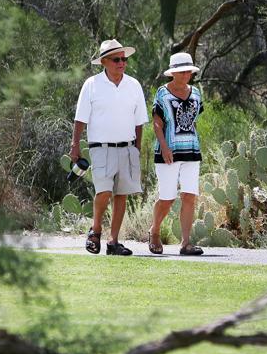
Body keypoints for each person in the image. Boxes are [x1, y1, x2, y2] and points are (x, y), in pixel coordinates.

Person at [70, 39, 148, 256]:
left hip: (127, 147)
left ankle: (113, 242)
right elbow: (80, 119)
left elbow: (139, 120)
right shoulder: (91, 84)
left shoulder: (134, 85)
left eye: (124, 59)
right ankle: (95, 230)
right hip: (100, 148)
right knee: (103, 191)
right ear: (104, 61)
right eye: (116, 59)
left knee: (121, 194)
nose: (121, 63)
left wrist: (137, 148)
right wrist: (75, 145)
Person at [148, 52, 205, 256]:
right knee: (168, 198)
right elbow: (157, 122)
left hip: (191, 151)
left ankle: (186, 243)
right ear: (173, 73)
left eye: (188, 71)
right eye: (181, 71)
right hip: (168, 152)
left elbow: (193, 120)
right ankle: (154, 231)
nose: (186, 74)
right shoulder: (162, 93)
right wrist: (164, 146)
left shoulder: (196, 93)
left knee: (189, 196)